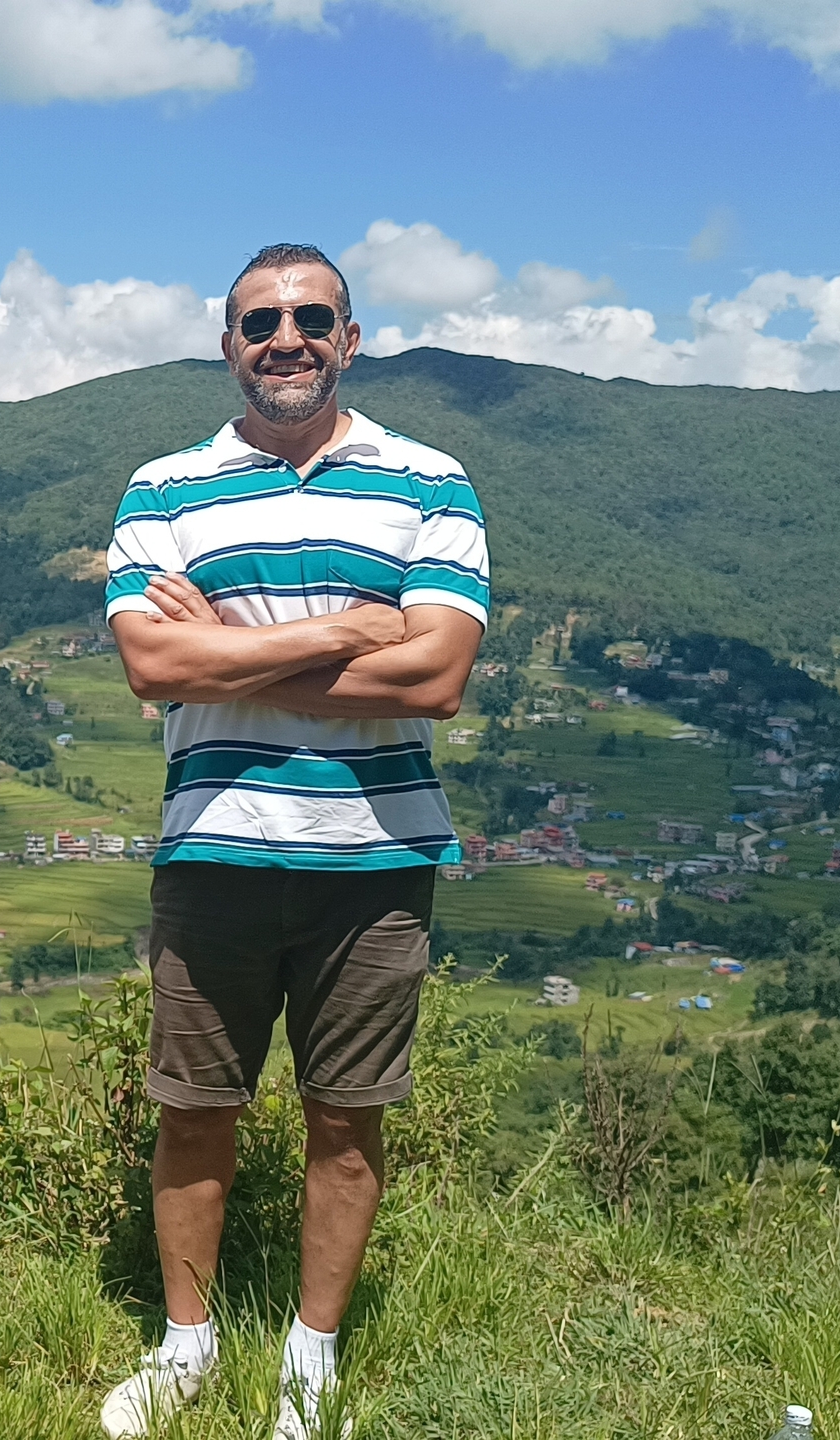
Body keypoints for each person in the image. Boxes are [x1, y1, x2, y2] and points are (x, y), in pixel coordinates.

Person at [96, 242, 488, 1438]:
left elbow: (437, 679)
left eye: (311, 318)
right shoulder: (163, 487)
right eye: (260, 322)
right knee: (191, 1108)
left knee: (347, 1119)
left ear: (349, 339)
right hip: (213, 846)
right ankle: (187, 1347)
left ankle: (308, 1363)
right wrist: (348, 633)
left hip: (375, 860)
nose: (287, 339)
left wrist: (228, 648)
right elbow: (151, 664)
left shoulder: (431, 481)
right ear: (227, 345)